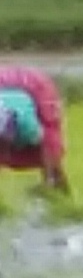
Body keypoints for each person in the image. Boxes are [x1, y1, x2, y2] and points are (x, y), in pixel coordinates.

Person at [0, 65, 65, 204]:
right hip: (8, 88)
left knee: (53, 167)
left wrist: (49, 181)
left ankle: (64, 203)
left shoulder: (27, 126)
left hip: (35, 89)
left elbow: (48, 146)